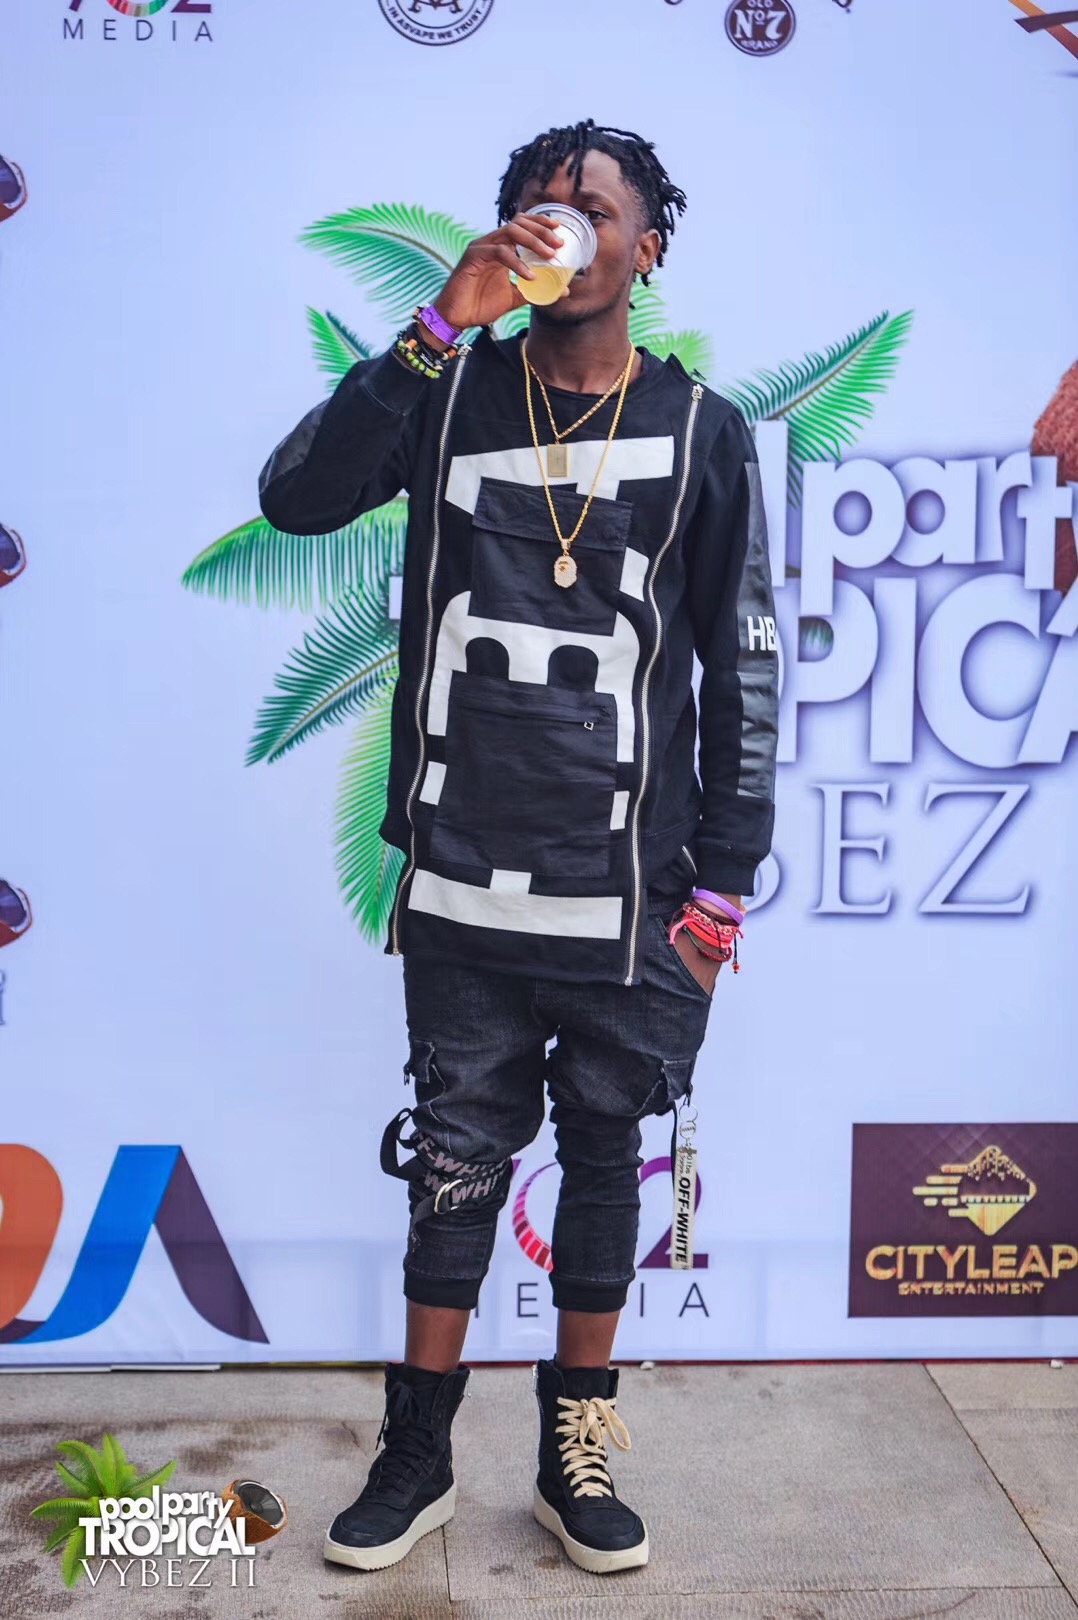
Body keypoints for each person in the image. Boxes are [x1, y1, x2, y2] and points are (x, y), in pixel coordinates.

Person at [258, 117, 779, 1578]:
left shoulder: (702, 429)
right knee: (454, 1162)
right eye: (539, 205)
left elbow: (741, 670)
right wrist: (437, 327)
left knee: (605, 1159)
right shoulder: (446, 392)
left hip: (634, 895)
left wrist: (722, 891)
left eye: (596, 208)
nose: (566, 225)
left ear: (646, 248)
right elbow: (296, 497)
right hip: (461, 876)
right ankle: (416, 1449)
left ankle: (576, 1445)